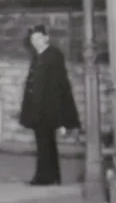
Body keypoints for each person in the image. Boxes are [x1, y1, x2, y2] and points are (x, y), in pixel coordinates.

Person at [19, 25, 81, 186]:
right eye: (33, 39)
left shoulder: (53, 55)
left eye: (39, 38)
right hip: (37, 107)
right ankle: (51, 176)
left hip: (48, 107)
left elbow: (57, 86)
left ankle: (45, 177)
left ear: (46, 38)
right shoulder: (38, 55)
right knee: (44, 142)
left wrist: (59, 116)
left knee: (45, 143)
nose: (35, 42)